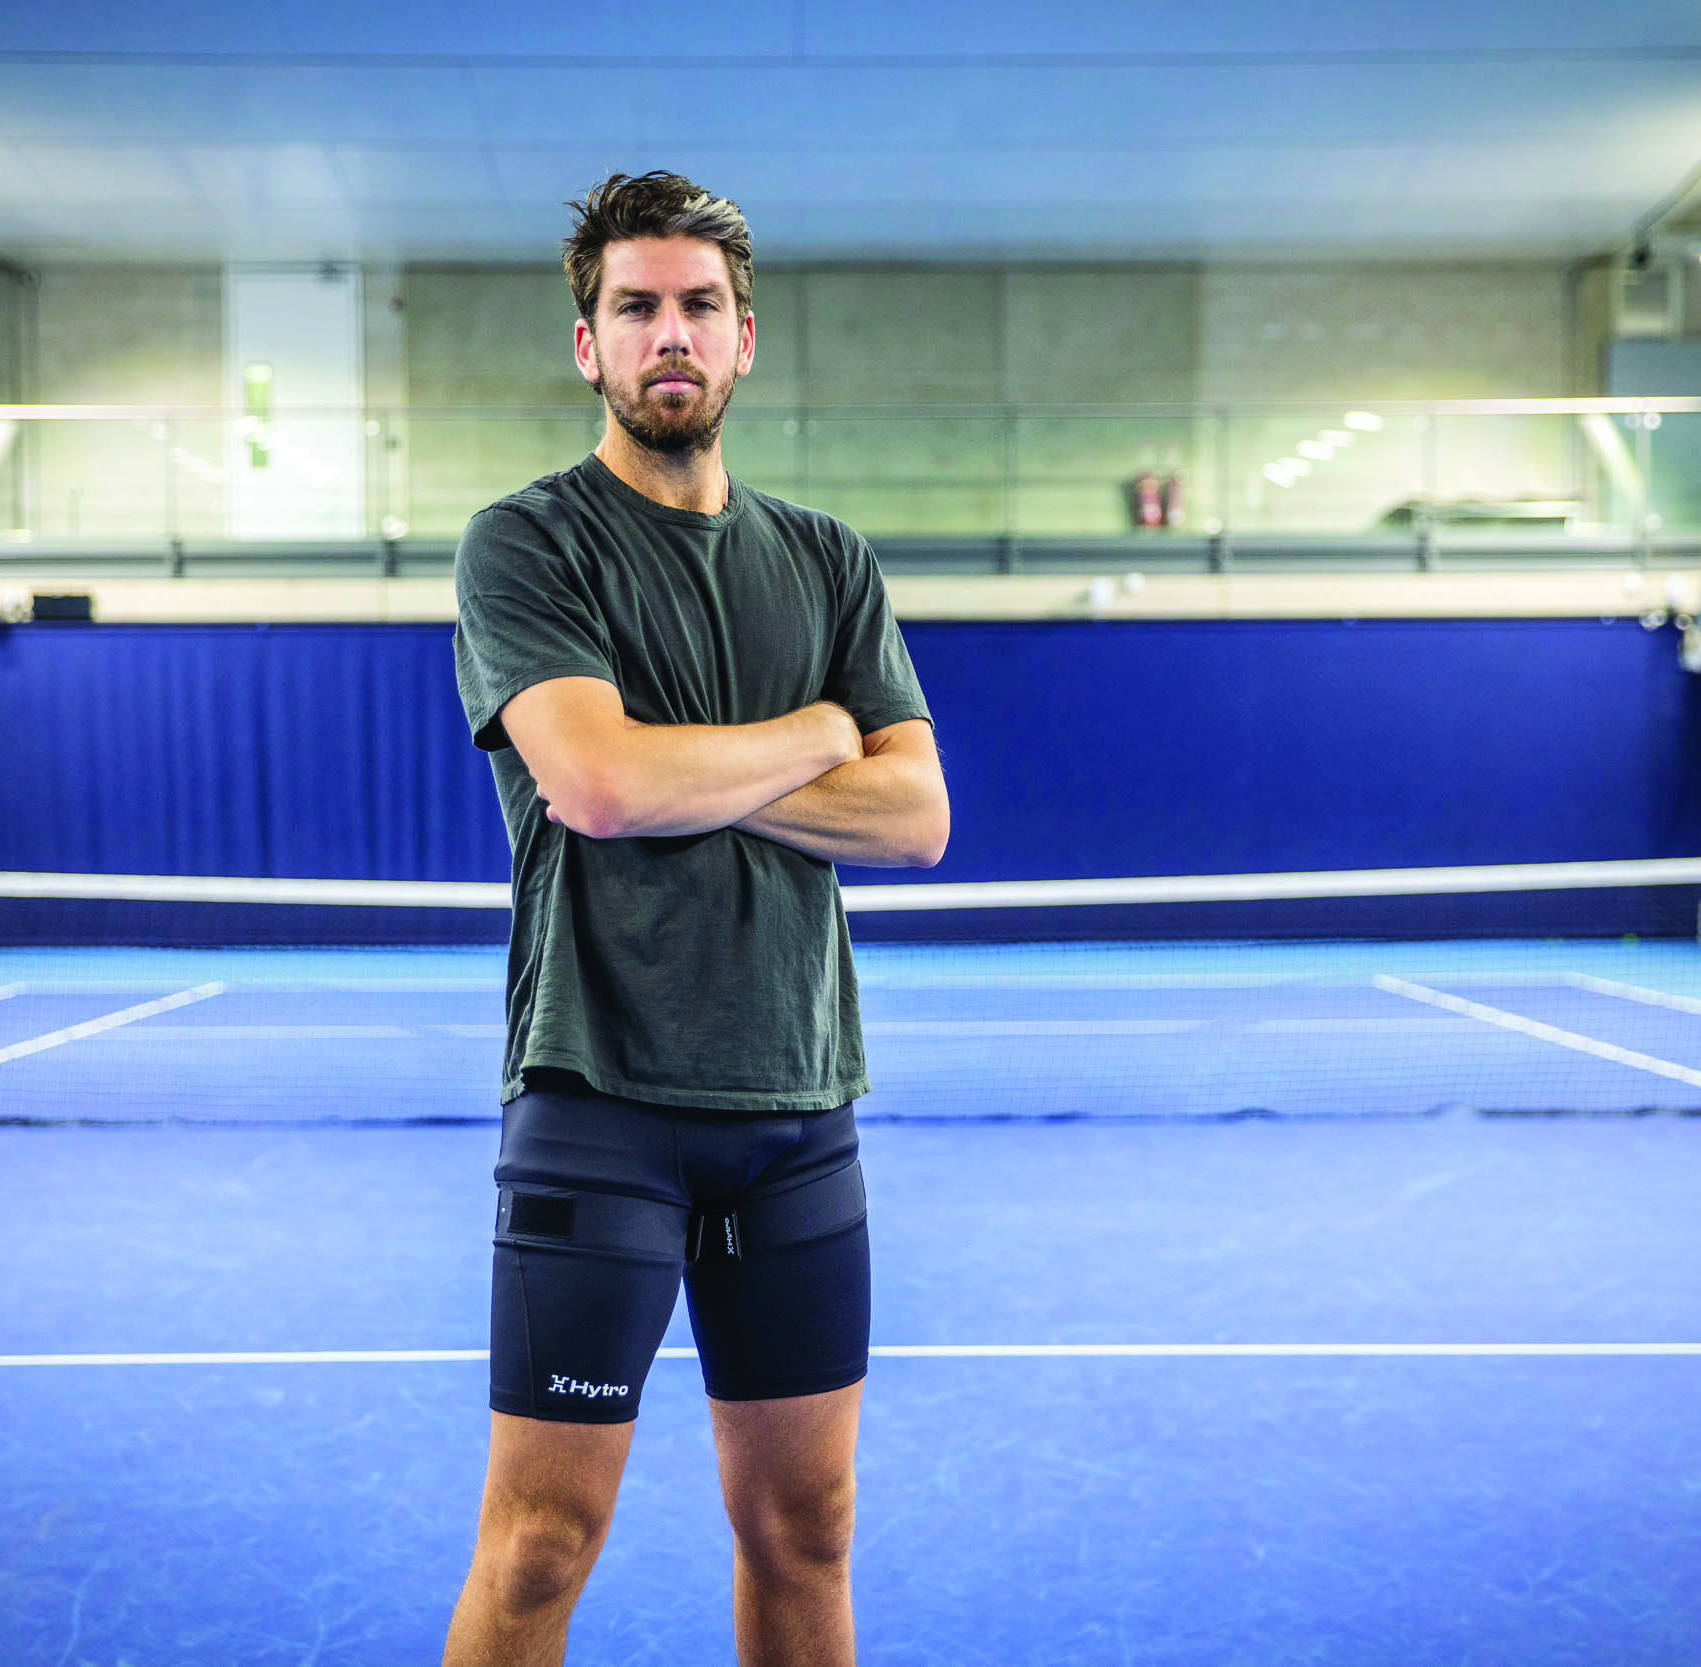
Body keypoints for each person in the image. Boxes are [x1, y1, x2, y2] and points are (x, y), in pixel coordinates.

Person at [443, 170, 948, 1667]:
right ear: (586, 344)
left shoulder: (830, 561)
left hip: (800, 1118)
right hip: (597, 1105)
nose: (672, 331)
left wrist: (693, 769)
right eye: (636, 306)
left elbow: (916, 816)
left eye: (700, 307)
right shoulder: (527, 545)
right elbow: (596, 785)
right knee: (539, 1547)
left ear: (746, 341)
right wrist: (813, 734)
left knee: (808, 1529)